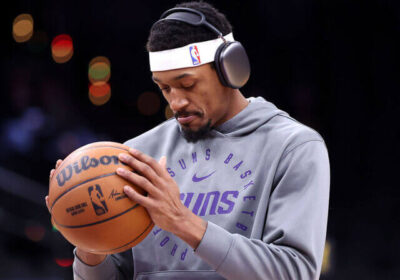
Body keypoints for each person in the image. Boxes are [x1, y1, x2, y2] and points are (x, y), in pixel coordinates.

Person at [48, 1, 330, 279]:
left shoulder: (294, 148)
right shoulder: (136, 155)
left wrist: (183, 222)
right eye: (165, 88)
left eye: (187, 84)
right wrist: (89, 247)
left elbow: (296, 273)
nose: (176, 101)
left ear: (230, 68)